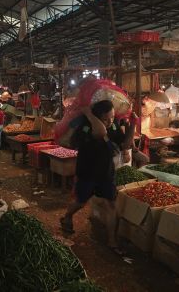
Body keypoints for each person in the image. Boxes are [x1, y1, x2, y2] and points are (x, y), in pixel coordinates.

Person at [59, 101, 136, 256]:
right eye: (106, 119)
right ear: (97, 116)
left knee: (111, 205)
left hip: (106, 174)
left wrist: (133, 124)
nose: (110, 122)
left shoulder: (113, 126)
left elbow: (125, 145)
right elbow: (100, 132)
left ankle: (112, 241)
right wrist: (88, 113)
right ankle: (67, 217)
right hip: (87, 173)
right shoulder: (86, 127)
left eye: (113, 117)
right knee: (80, 202)